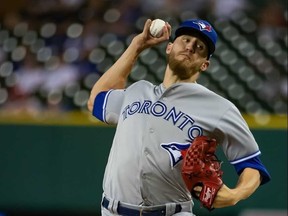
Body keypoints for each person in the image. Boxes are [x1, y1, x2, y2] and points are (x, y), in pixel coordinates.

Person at [87, 18, 271, 216]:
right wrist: (137, 46)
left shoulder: (219, 108)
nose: (191, 47)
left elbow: (252, 165)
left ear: (204, 65)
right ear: (169, 47)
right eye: (186, 40)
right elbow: (96, 100)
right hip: (113, 210)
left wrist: (236, 194)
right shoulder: (137, 91)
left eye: (200, 47)